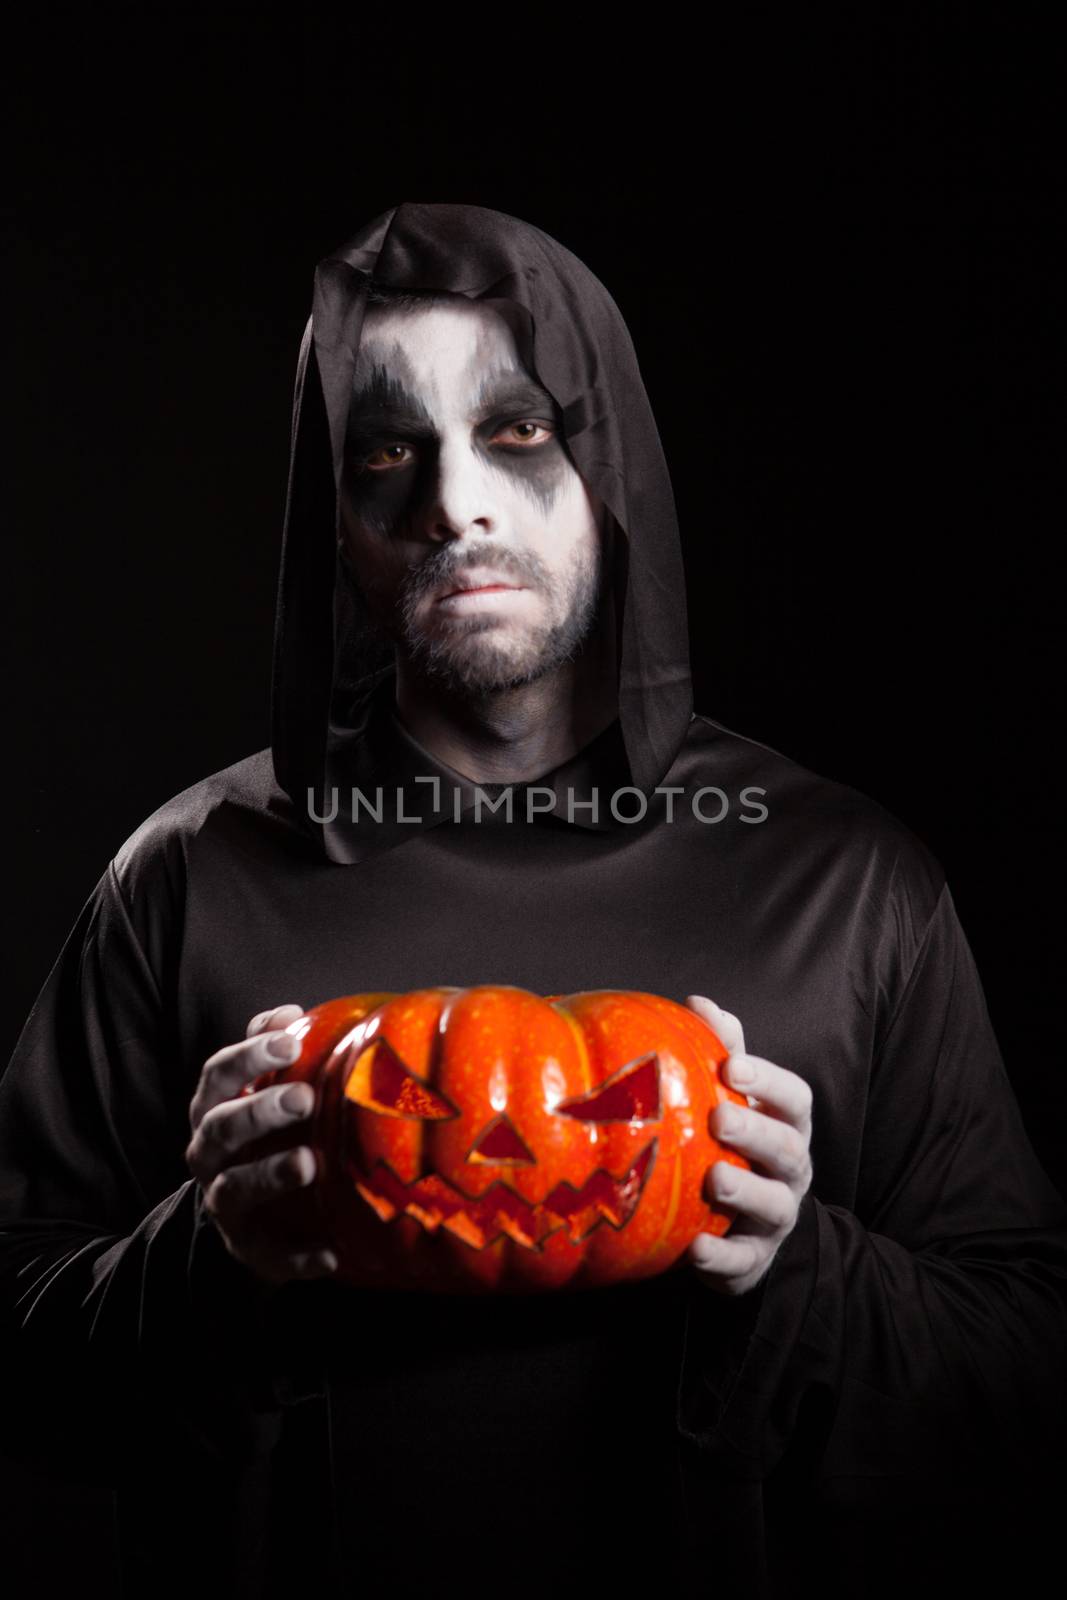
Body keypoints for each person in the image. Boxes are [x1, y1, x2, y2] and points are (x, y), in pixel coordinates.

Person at [1, 201, 1063, 1600]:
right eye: (388, 451)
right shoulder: (187, 876)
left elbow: (1027, 1369)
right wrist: (207, 1263)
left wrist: (800, 1267)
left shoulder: (848, 881)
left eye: (517, 430)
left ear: (606, 457)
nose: (453, 503)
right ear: (336, 514)